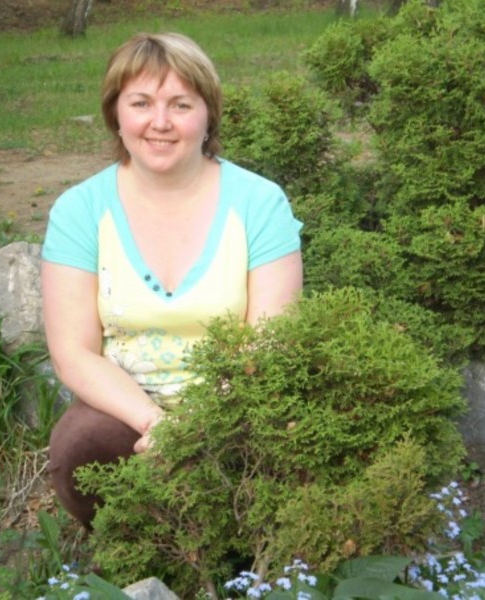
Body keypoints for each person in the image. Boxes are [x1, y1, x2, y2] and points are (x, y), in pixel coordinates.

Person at [40, 32, 303, 528]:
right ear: (116, 114)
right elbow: (73, 352)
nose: (160, 122)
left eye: (180, 104)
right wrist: (156, 424)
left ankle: (248, 553)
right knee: (81, 442)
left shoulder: (259, 203)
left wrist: (200, 424)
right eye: (141, 103)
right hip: (128, 413)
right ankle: (130, 551)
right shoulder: (80, 210)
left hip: (238, 404)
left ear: (208, 115)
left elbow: (271, 342)